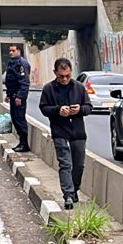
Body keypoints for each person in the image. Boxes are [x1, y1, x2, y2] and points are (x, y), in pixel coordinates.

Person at [38, 57, 90, 208]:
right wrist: (58, 110)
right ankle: (67, 194)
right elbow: (44, 108)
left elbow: (89, 107)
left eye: (67, 76)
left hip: (78, 131)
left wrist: (80, 109)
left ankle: (74, 190)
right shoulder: (49, 89)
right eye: (61, 76)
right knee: (65, 163)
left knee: (78, 165)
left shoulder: (79, 87)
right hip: (59, 130)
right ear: (55, 72)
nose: (65, 79)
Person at [4, 44, 31, 152]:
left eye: (13, 50)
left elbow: (24, 82)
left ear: (18, 51)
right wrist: (8, 94)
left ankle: (24, 144)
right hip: (13, 96)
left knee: (19, 119)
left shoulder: (21, 63)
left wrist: (20, 96)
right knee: (14, 119)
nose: (11, 52)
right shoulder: (12, 62)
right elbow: (11, 80)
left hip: (18, 97)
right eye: (10, 51)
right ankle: (21, 142)